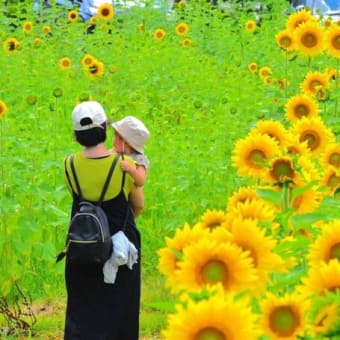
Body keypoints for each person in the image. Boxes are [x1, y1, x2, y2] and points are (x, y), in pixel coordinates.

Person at [63, 101, 144, 340]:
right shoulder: (123, 165)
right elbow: (138, 204)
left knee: (84, 309)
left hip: (83, 244)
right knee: (121, 309)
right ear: (105, 131)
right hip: (120, 244)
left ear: (76, 137)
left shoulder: (69, 165)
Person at [111, 116, 150, 189]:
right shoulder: (113, 152)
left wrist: (130, 169)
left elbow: (141, 181)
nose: (114, 139)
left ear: (127, 144)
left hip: (130, 196)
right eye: (115, 135)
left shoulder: (138, 159)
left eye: (118, 137)